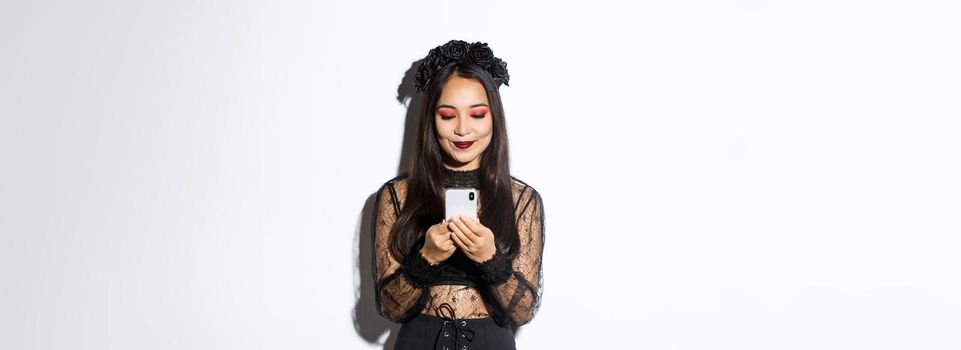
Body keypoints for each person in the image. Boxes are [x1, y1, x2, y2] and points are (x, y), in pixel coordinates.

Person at [371, 40, 545, 350]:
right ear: (431, 121)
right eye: (448, 116)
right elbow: (389, 308)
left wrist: (490, 259)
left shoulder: (521, 199)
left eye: (477, 114)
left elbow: (523, 311)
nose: (463, 130)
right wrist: (427, 258)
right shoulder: (397, 195)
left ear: (494, 118)